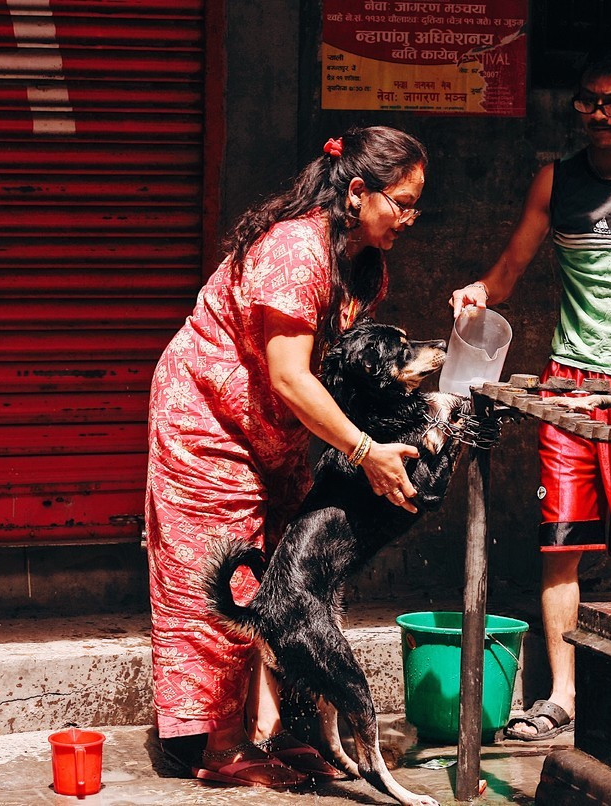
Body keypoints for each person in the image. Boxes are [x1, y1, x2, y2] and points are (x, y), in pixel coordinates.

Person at [145, 126, 428, 786]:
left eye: (418, 205)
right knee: (226, 574)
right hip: (206, 418)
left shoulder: (364, 264)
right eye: (403, 202)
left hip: (277, 429)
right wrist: (364, 452)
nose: (410, 219)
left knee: (289, 566)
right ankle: (215, 747)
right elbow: (292, 377)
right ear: (358, 192)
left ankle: (271, 731)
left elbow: (329, 370)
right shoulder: (296, 251)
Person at [449, 56, 611, 741]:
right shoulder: (556, 181)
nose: (599, 115)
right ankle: (563, 697)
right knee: (559, 546)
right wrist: (479, 292)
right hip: (566, 389)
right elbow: (508, 272)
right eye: (587, 103)